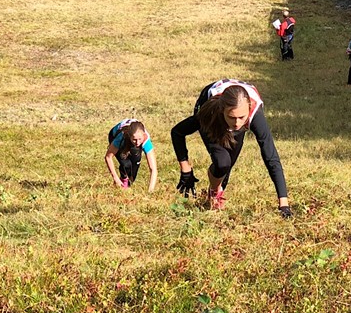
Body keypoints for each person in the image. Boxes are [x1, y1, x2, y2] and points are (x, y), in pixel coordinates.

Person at [170, 79, 292, 218]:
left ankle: (214, 191)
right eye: (232, 117)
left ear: (249, 109)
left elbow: (271, 156)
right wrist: (185, 169)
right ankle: (215, 192)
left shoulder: (255, 114)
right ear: (223, 111)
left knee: (227, 168)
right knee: (222, 162)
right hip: (214, 116)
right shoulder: (211, 110)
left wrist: (284, 205)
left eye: (241, 117)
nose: (237, 123)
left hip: (235, 104)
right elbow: (177, 132)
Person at [104, 118, 157, 191]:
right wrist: (116, 178)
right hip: (115, 136)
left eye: (139, 139)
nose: (137, 142)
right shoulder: (121, 137)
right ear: (130, 136)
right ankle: (123, 179)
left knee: (133, 174)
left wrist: (150, 191)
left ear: (144, 136)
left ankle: (126, 181)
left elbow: (153, 169)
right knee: (126, 164)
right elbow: (108, 157)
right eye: (134, 139)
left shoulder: (146, 141)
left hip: (130, 141)